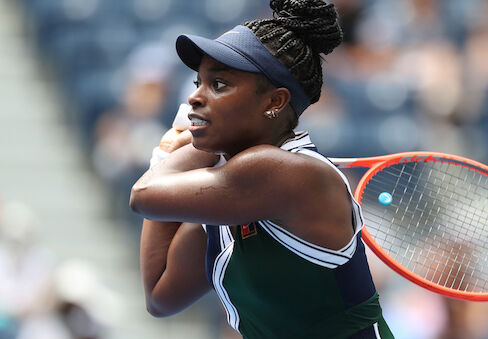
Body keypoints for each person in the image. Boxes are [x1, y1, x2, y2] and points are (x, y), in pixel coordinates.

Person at [129, 0, 394, 337]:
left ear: (274, 102)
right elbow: (159, 297)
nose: (195, 98)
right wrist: (179, 155)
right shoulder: (227, 204)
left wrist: (177, 153)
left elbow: (144, 195)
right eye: (198, 84)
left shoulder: (283, 171)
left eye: (219, 84)